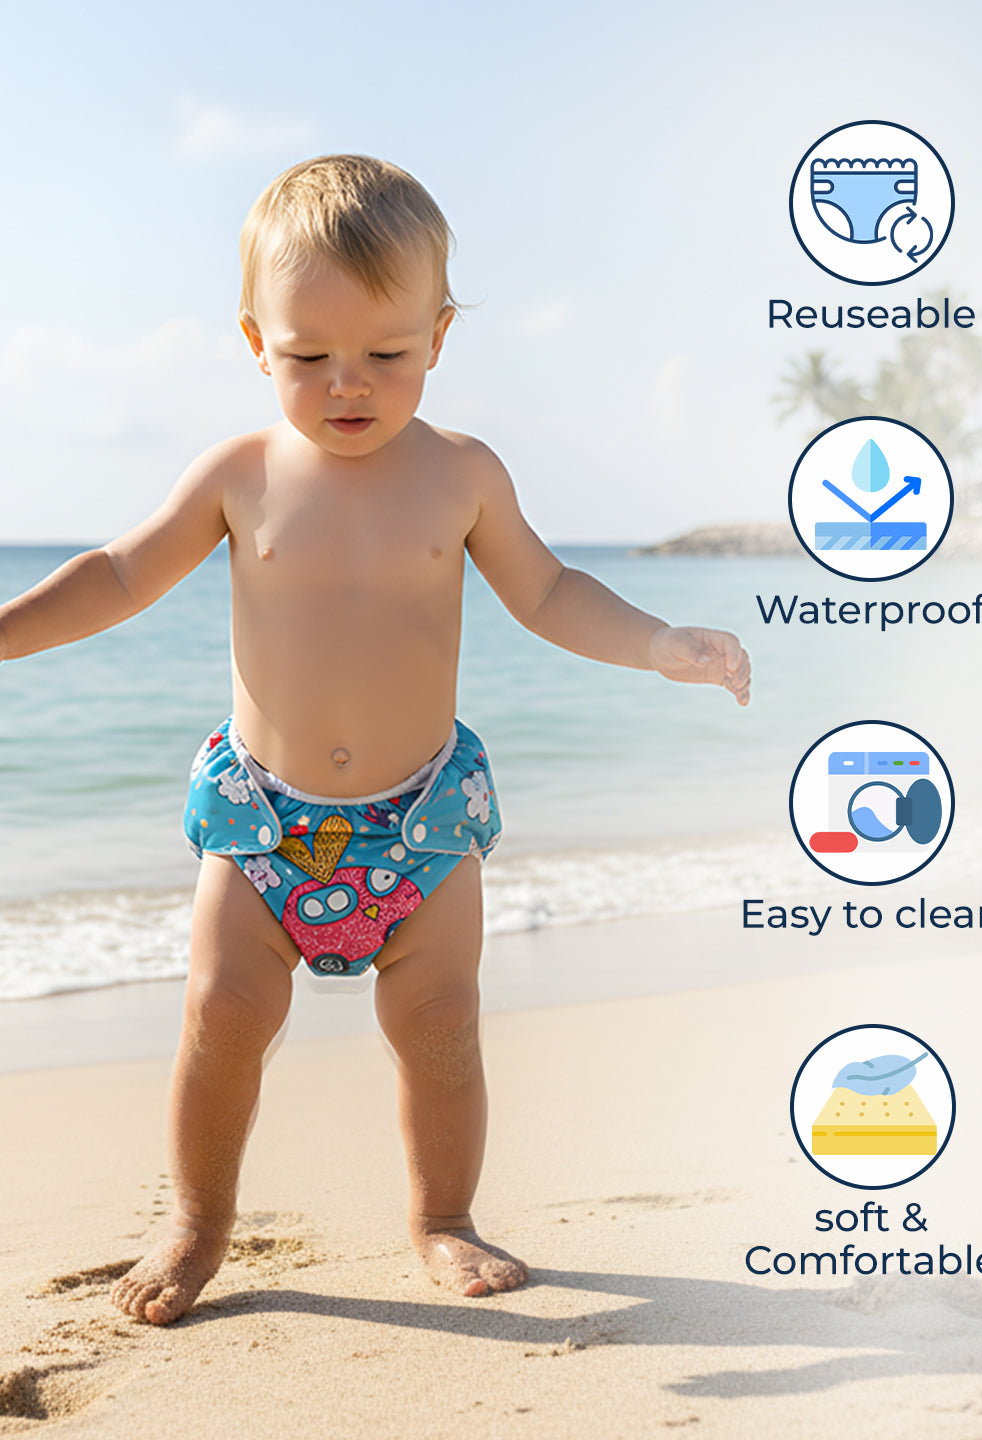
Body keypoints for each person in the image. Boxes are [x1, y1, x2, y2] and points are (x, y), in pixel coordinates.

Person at [0, 155, 751, 1325]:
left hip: (423, 821)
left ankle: (444, 1218)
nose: (347, 383)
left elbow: (550, 594)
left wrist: (659, 642)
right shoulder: (240, 475)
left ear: (438, 336)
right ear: (256, 342)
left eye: (386, 353)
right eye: (309, 357)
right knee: (221, 1014)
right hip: (264, 821)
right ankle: (196, 1223)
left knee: (441, 1025)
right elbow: (119, 576)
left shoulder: (461, 475)